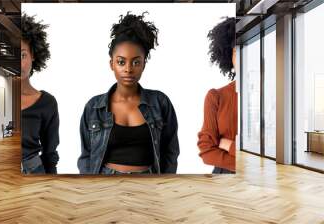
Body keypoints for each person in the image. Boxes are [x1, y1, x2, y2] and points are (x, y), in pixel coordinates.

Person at [77, 12, 180, 174]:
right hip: (105, 184)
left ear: (144, 64)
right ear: (111, 64)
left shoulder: (160, 102)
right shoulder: (93, 107)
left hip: (149, 185)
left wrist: (164, 185)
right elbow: (86, 156)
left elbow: (170, 152)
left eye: (136, 62)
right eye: (121, 62)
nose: (128, 69)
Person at [197, 17, 237, 174]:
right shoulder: (217, 97)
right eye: (236, 52)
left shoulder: (274, 96)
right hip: (225, 178)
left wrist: (229, 146)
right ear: (229, 56)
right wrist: (245, 165)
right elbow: (207, 152)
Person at [21, 14, 59, 174]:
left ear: (33, 56)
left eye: (22, 55)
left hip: (33, 172)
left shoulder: (46, 102)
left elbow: (50, 153)